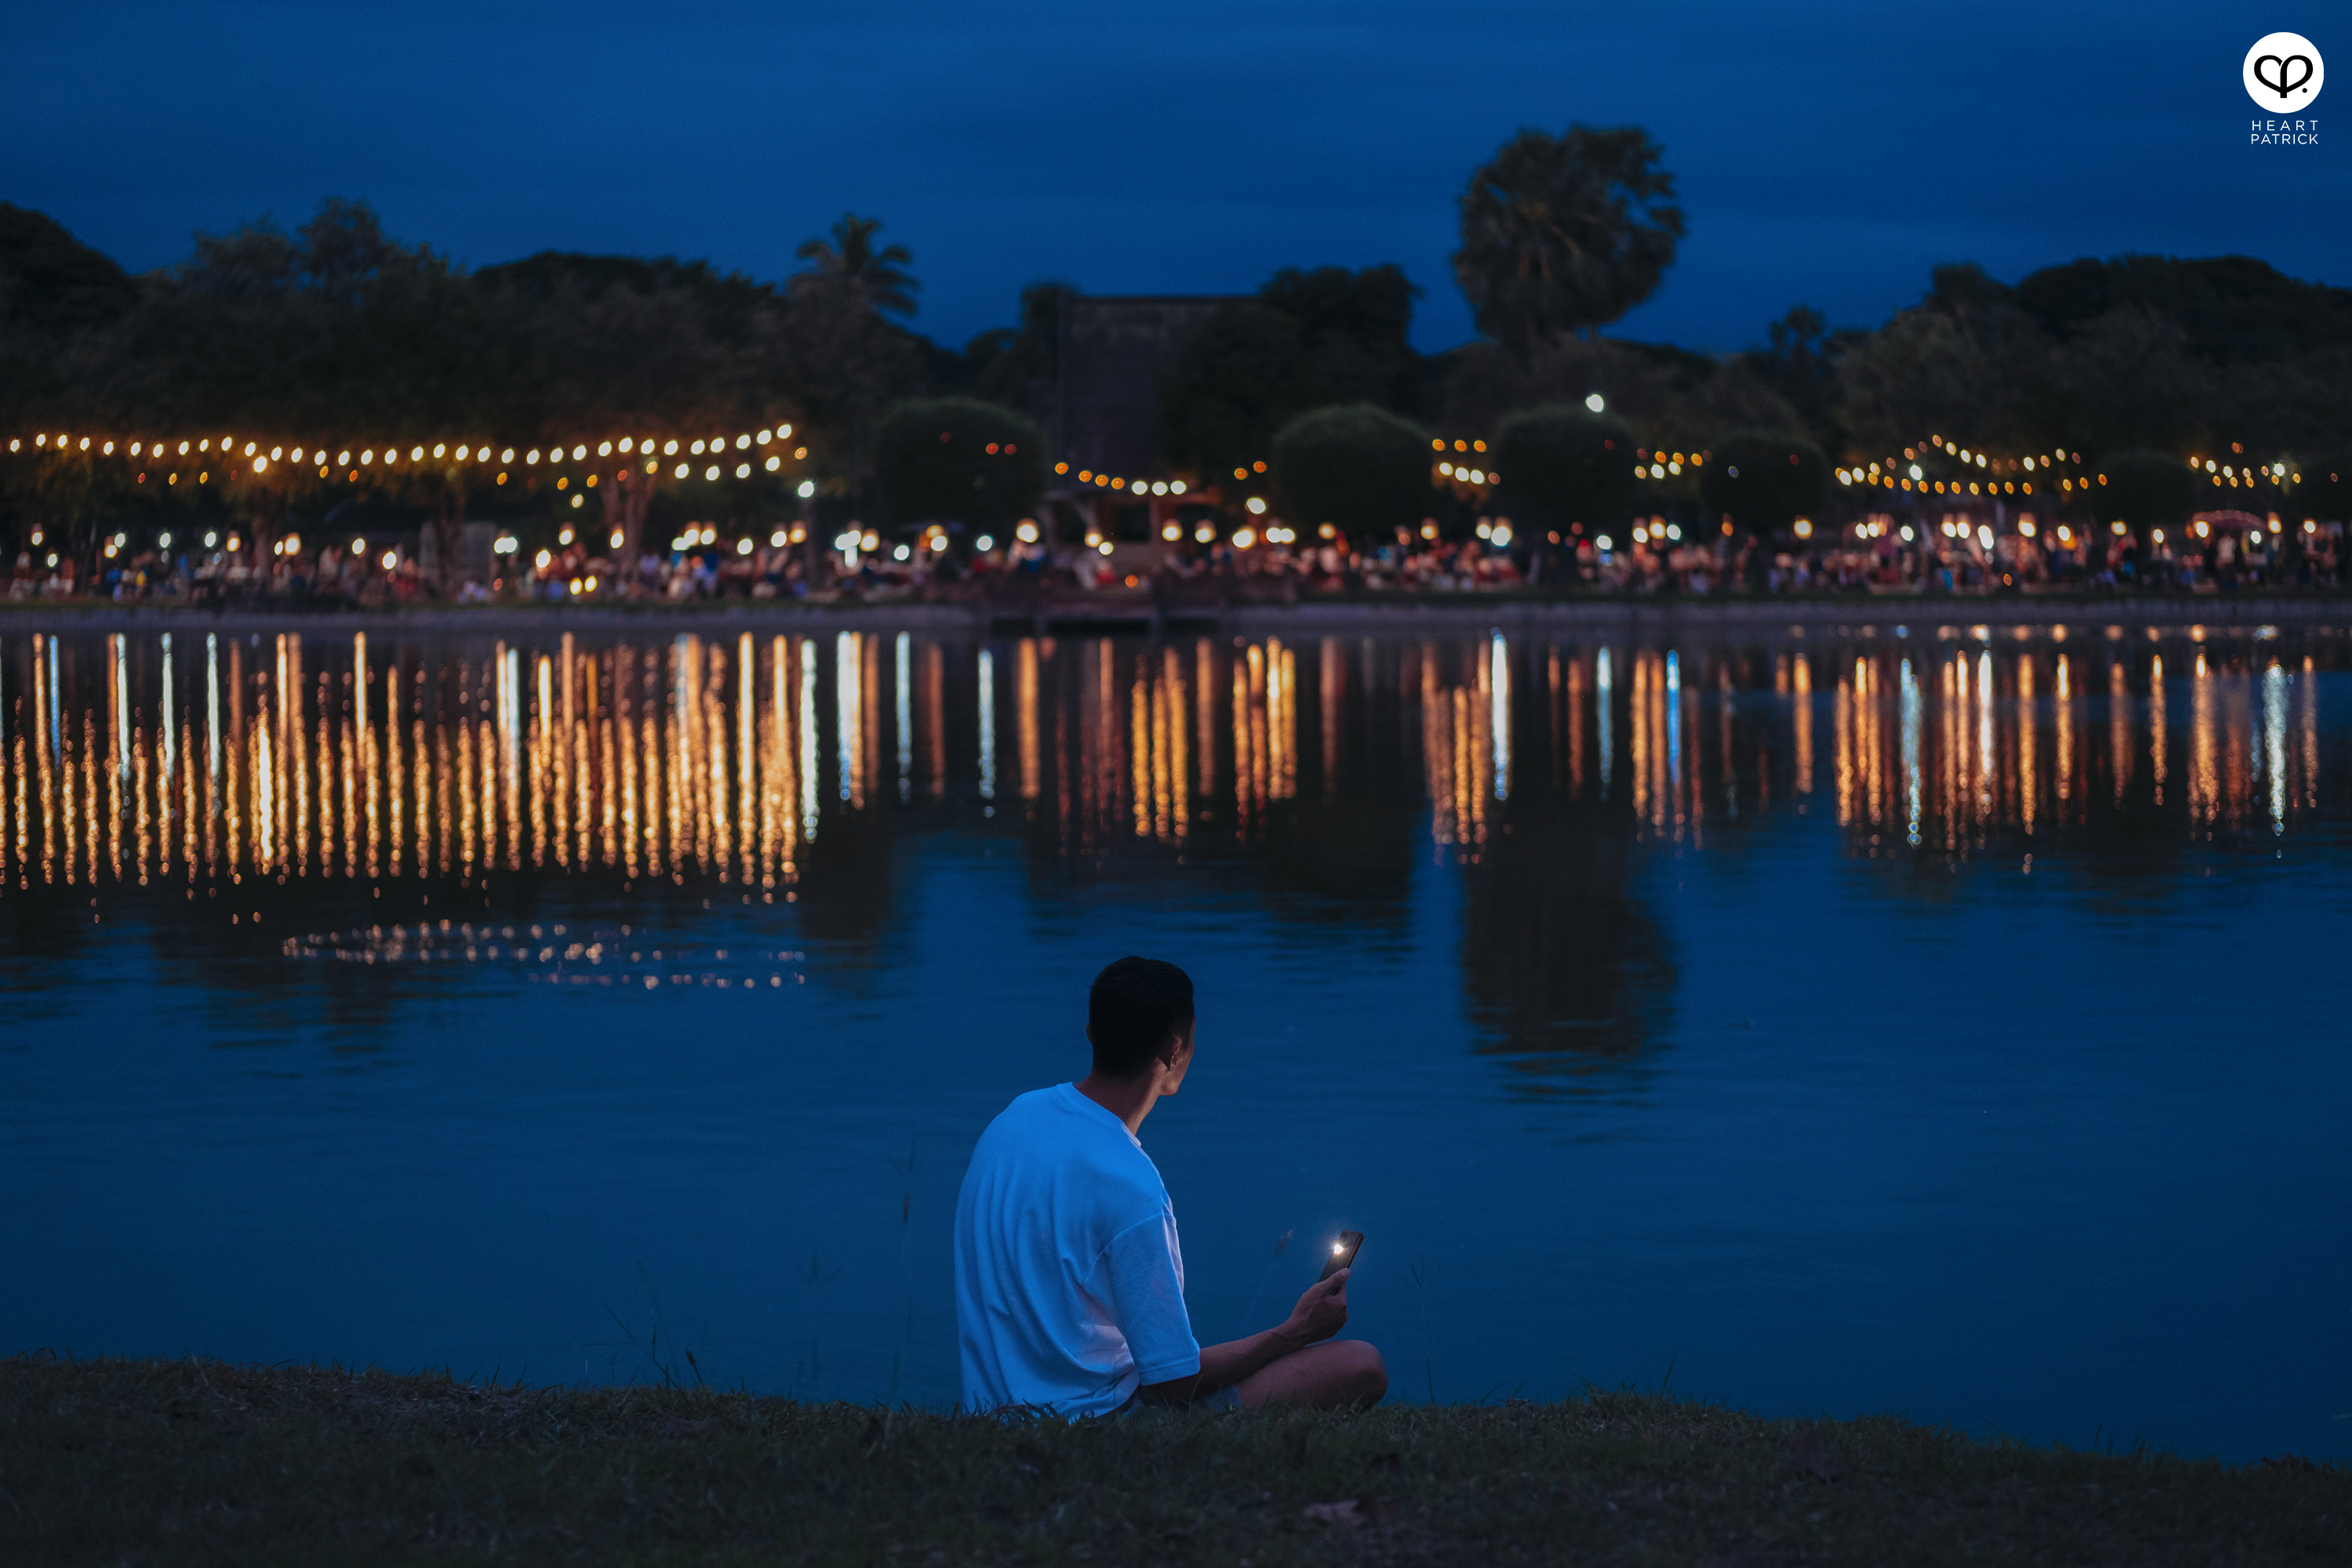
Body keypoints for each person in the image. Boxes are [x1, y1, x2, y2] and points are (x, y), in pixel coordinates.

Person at [953, 956, 1387, 1418]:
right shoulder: (1129, 1185)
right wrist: (1295, 1331)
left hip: (993, 1414)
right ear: (1175, 1050)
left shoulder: (1012, 1122)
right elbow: (1171, 1384)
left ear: (1091, 1033)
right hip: (1095, 1423)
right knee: (1361, 1364)